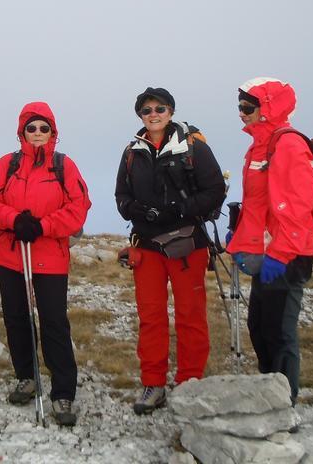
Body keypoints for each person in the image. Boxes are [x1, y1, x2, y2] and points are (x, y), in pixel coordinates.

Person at [0, 102, 91, 427]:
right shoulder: (8, 163)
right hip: (11, 253)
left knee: (54, 321)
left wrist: (43, 226)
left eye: (44, 128)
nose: (38, 133)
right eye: (32, 128)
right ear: (22, 132)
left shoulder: (64, 165)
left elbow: (79, 207)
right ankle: (25, 376)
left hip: (50, 255)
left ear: (53, 132)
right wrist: (14, 219)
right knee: (16, 317)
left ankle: (63, 390)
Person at [114, 87, 226, 415]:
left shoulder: (193, 147)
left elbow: (215, 190)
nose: (153, 115)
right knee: (151, 318)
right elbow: (121, 195)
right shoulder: (132, 151)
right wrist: (138, 211)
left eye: (159, 108)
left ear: (171, 111)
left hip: (186, 244)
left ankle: (190, 381)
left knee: (190, 315)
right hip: (147, 247)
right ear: (140, 115)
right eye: (146, 110)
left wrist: (179, 210)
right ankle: (153, 383)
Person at [226, 78, 313, 405]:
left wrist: (281, 253)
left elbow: (297, 207)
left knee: (279, 333)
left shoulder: (288, 144)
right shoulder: (260, 146)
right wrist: (239, 237)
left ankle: (284, 403)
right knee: (260, 328)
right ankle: (270, 393)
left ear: (268, 107)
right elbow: (258, 205)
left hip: (287, 255)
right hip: (267, 253)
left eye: (248, 107)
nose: (241, 113)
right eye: (239, 107)